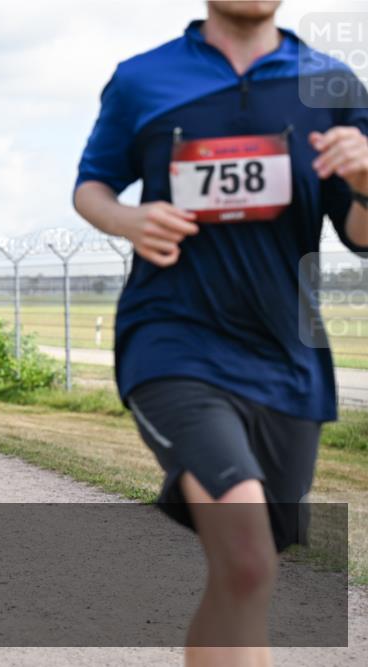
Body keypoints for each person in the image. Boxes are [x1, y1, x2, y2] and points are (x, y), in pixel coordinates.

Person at [73, 2, 368, 662]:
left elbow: (360, 233)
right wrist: (129, 219)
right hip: (172, 341)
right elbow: (91, 186)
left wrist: (365, 180)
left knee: (245, 575)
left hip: (287, 358)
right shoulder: (143, 78)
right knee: (248, 557)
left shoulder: (334, 84)